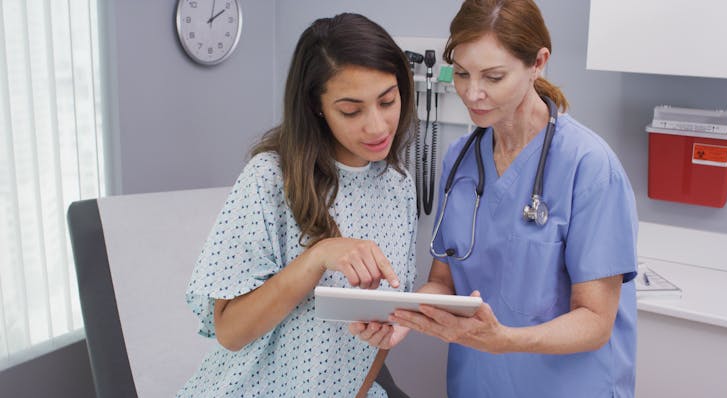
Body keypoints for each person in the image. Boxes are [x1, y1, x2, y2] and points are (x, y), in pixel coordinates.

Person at [350, 1, 639, 397]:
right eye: (463, 73)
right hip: (478, 384)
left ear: (538, 63)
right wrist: (402, 319)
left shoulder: (589, 167)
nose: (472, 92)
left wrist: (505, 340)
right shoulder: (460, 160)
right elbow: (443, 281)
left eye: (494, 76)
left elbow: (595, 321)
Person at [177, 13, 417, 397]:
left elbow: (386, 322)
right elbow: (230, 332)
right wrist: (317, 256)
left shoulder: (398, 187)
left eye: (387, 101)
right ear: (316, 106)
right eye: (352, 110)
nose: (377, 126)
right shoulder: (270, 179)